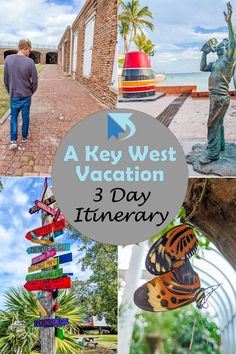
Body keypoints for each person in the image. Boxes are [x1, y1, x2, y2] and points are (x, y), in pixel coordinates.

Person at [199, 2, 236, 165]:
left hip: (220, 96)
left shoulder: (229, 60)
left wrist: (228, 22)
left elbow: (233, 43)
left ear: (227, 48)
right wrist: (205, 53)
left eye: (223, 43)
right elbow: (202, 67)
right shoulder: (216, 62)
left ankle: (212, 155)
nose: (220, 44)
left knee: (211, 124)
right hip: (216, 96)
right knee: (218, 123)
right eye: (220, 44)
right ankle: (219, 147)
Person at [4, 39, 38, 149]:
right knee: (25, 116)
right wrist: (30, 92)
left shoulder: (8, 59)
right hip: (26, 95)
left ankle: (13, 140)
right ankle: (24, 137)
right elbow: (35, 81)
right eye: (29, 50)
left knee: (13, 117)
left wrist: (10, 90)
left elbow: (5, 79)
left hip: (14, 95)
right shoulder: (30, 62)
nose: (29, 53)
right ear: (24, 48)